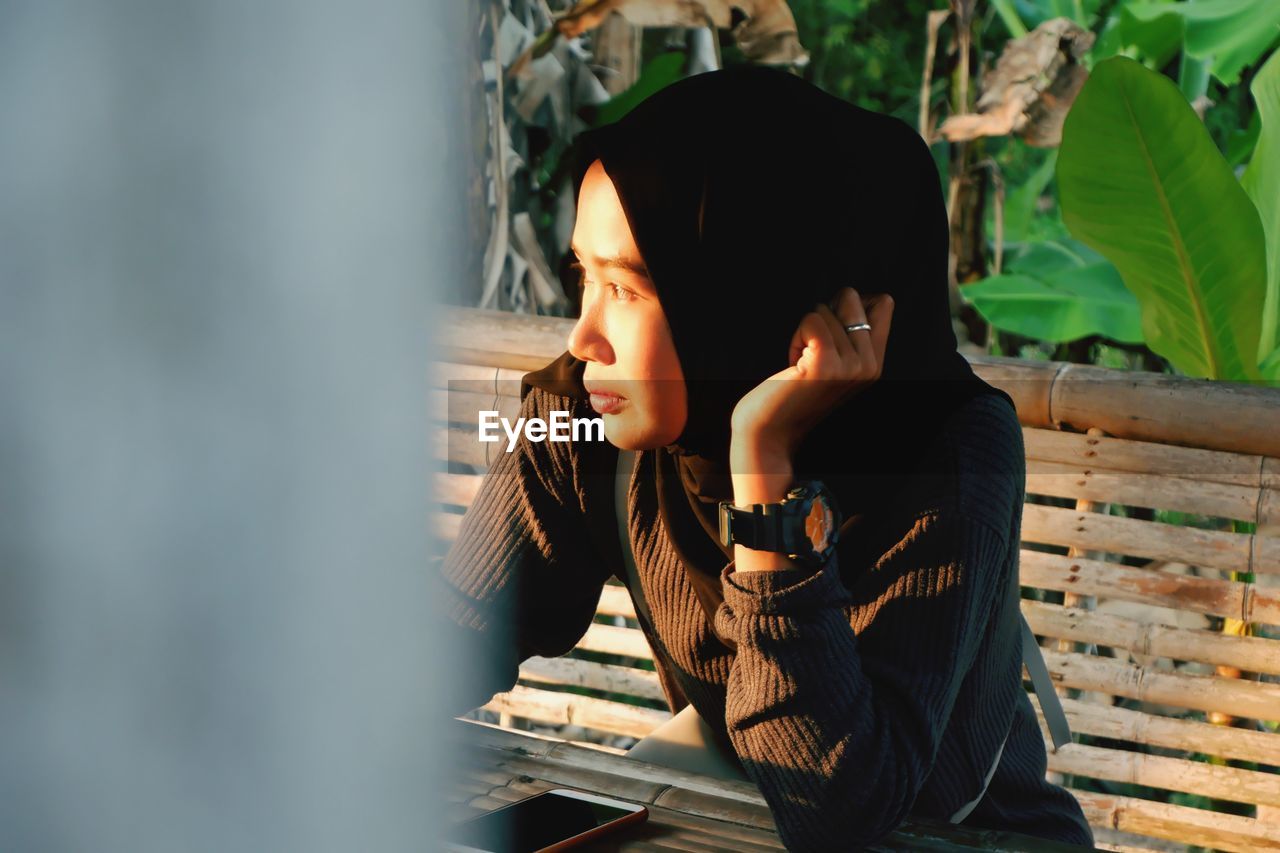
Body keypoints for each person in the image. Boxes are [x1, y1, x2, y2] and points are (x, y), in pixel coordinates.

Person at [436, 65, 1095, 851]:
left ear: (746, 292)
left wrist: (764, 471)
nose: (584, 339)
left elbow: (836, 808)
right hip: (732, 826)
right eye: (588, 277)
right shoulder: (585, 414)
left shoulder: (944, 450)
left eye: (632, 288)